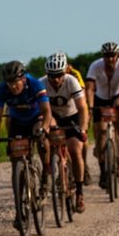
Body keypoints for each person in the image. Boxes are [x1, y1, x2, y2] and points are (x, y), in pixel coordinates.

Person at [0, 59, 56, 195]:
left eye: (15, 82)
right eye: (9, 83)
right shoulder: (1, 90)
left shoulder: (35, 85)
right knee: (15, 161)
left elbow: (47, 112)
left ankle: (46, 172)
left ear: (23, 79)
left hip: (36, 117)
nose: (13, 87)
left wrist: (44, 129)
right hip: (17, 120)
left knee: (41, 136)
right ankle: (19, 205)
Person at [42, 52, 88, 213]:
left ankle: (80, 193)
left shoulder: (71, 81)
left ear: (65, 72)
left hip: (72, 117)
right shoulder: (42, 84)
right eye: (51, 75)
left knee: (75, 150)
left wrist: (82, 129)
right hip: (54, 117)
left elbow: (83, 108)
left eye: (59, 75)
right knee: (47, 138)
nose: (55, 79)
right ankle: (49, 170)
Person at [85, 41, 119, 182]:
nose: (110, 59)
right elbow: (89, 88)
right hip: (100, 98)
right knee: (101, 135)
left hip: (118, 95)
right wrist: (90, 108)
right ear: (103, 56)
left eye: (113, 55)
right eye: (107, 56)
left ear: (117, 55)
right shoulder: (95, 66)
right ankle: (103, 172)